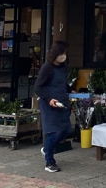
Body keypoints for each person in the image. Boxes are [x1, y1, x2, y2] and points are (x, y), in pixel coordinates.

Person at [34, 40, 73, 173]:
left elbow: (62, 83)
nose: (64, 55)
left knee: (66, 130)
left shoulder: (62, 67)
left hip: (62, 103)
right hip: (49, 104)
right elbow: (37, 88)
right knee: (51, 132)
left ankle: (47, 149)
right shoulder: (47, 68)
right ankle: (49, 162)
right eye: (62, 53)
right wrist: (49, 99)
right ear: (56, 53)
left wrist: (71, 90)